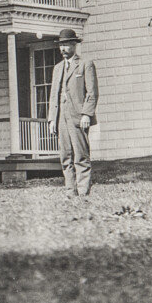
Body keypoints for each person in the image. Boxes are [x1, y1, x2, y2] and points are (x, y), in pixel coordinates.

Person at [47, 27, 98, 196]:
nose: (63, 49)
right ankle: (71, 191)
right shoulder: (57, 68)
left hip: (78, 116)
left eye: (67, 45)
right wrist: (52, 119)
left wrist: (86, 114)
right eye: (61, 45)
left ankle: (83, 192)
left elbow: (92, 92)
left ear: (74, 45)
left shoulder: (85, 64)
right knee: (65, 155)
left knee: (81, 155)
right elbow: (53, 95)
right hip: (62, 117)